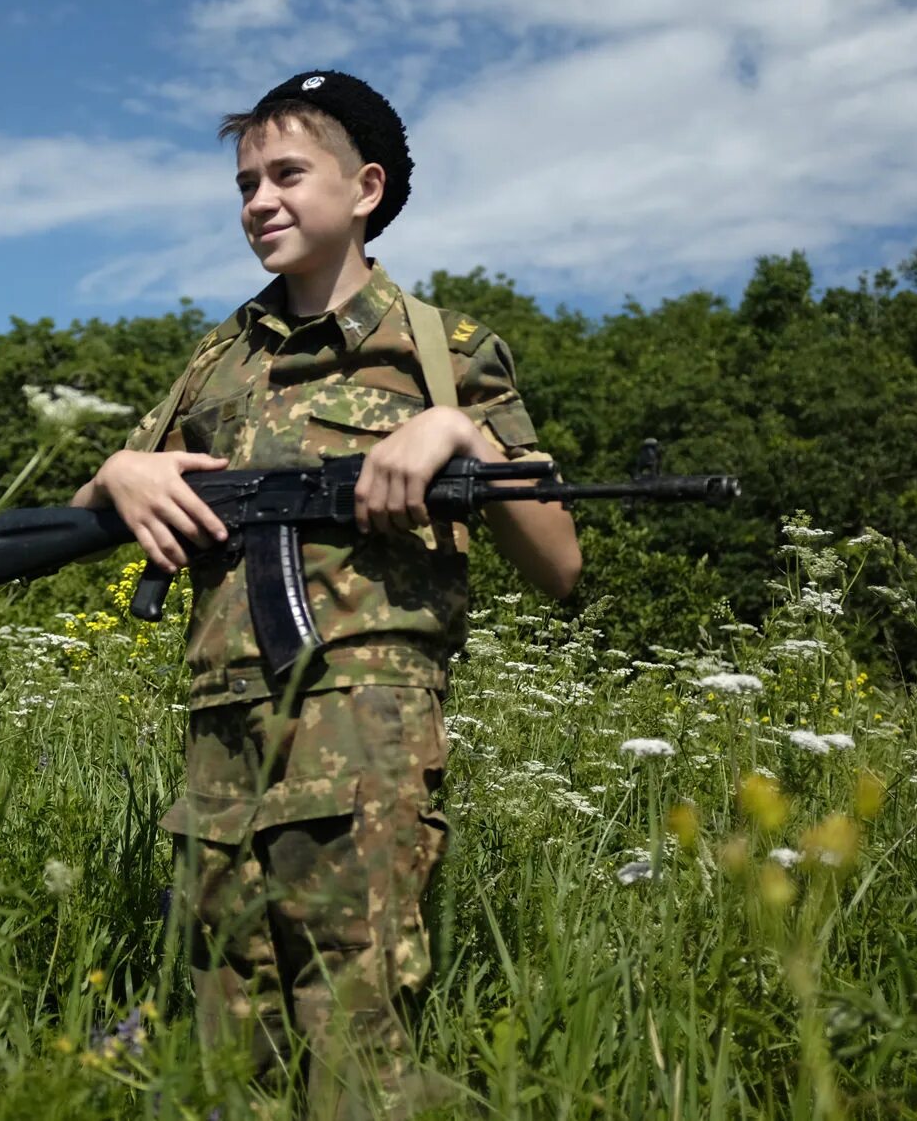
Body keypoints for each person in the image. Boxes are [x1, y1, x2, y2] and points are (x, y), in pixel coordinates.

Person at [68, 70, 583, 1117]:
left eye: (287, 174)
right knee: (225, 1041)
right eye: (246, 181)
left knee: (352, 1046)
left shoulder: (442, 352)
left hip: (364, 720)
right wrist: (118, 475)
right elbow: (97, 503)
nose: (258, 199)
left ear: (365, 188)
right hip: (220, 724)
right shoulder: (216, 362)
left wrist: (459, 434)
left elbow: (560, 562)